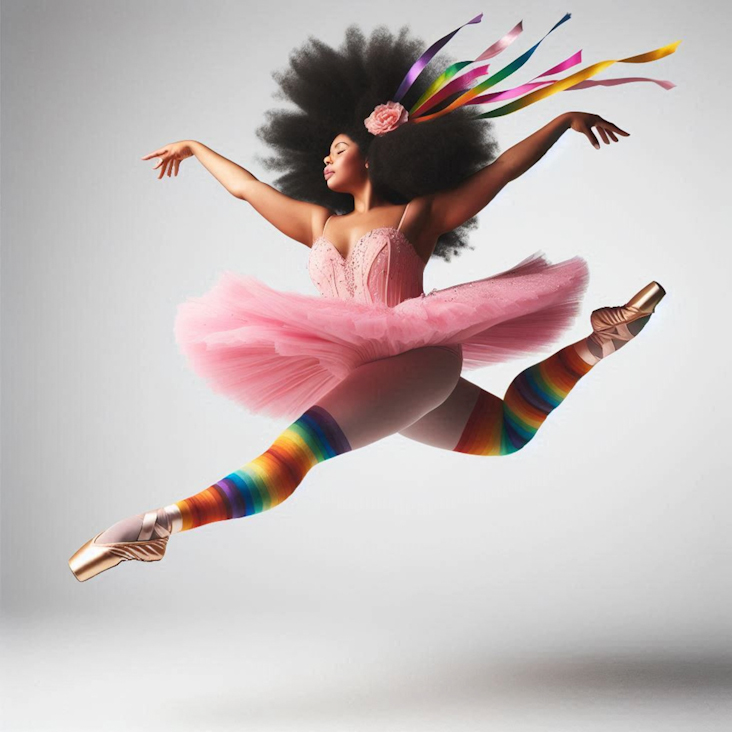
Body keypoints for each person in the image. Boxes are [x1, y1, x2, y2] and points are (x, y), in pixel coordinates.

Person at [69, 13, 678, 581]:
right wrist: (197, 149)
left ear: (376, 149)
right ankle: (603, 341)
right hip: (366, 368)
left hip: (414, 354)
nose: (325, 158)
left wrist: (559, 121)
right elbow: (248, 190)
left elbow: (501, 173)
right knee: (505, 434)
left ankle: (157, 524)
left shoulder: (419, 213)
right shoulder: (317, 223)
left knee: (298, 452)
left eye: (337, 147)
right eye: (325, 151)